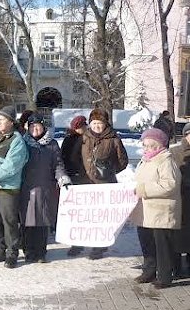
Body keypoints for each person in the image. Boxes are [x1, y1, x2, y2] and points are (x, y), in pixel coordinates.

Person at [130, 127, 181, 289]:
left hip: (161, 211)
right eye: (144, 145)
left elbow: (169, 185)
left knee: (162, 247)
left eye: (149, 145)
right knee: (147, 244)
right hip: (145, 211)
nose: (146, 148)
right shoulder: (145, 160)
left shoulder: (166, 161)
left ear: (159, 145)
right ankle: (149, 271)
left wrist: (143, 190)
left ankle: (165, 276)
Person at [20, 113, 71, 263]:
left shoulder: (52, 144)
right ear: (28, 128)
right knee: (28, 222)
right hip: (27, 189)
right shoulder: (23, 143)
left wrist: (63, 179)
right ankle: (29, 251)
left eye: (38, 126)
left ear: (43, 127)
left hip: (45, 188)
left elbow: (58, 165)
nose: (35, 129)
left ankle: (41, 252)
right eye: (32, 126)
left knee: (42, 222)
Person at [80, 107, 128, 260]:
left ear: (105, 123)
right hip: (86, 183)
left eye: (99, 123)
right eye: (94, 123)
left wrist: (109, 171)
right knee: (90, 217)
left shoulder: (114, 139)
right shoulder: (84, 138)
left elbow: (123, 161)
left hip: (105, 184)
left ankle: (99, 247)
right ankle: (89, 241)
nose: (96, 126)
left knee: (101, 217)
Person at [0, 105, 28, 268]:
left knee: (9, 222)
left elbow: (12, 165)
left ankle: (12, 253)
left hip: (8, 188)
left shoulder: (16, 141)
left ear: (11, 122)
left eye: (2, 120)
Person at [61, 115, 88, 257]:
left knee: (87, 214)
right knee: (76, 214)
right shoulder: (69, 139)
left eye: (83, 126)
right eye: (78, 126)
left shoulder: (88, 138)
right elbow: (63, 158)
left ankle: (92, 242)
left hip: (87, 179)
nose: (81, 128)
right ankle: (76, 243)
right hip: (73, 179)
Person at [170, 123, 190, 276]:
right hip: (181, 197)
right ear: (185, 135)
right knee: (179, 232)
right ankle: (176, 266)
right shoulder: (175, 151)